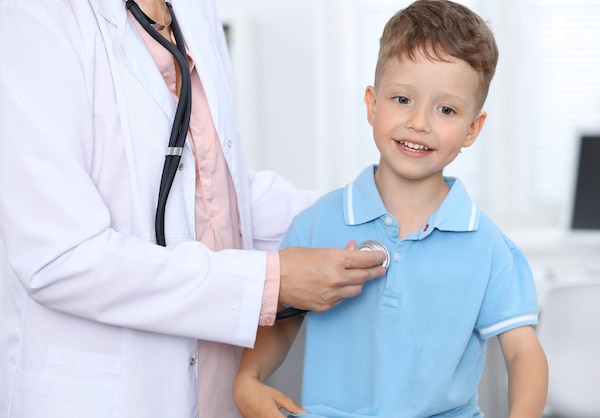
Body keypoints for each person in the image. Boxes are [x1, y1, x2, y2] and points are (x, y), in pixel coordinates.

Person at [0, 0, 387, 417]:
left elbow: (216, 185)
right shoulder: (34, 18)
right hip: (105, 394)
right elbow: (60, 256)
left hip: (215, 384)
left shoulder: (192, 9)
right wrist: (268, 280)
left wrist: (361, 213)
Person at [232, 0, 549, 417]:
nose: (419, 122)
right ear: (372, 104)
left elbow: (524, 354)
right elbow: (283, 318)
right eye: (402, 99)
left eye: (446, 109)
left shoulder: (490, 248)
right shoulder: (315, 224)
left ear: (473, 128)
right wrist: (248, 379)